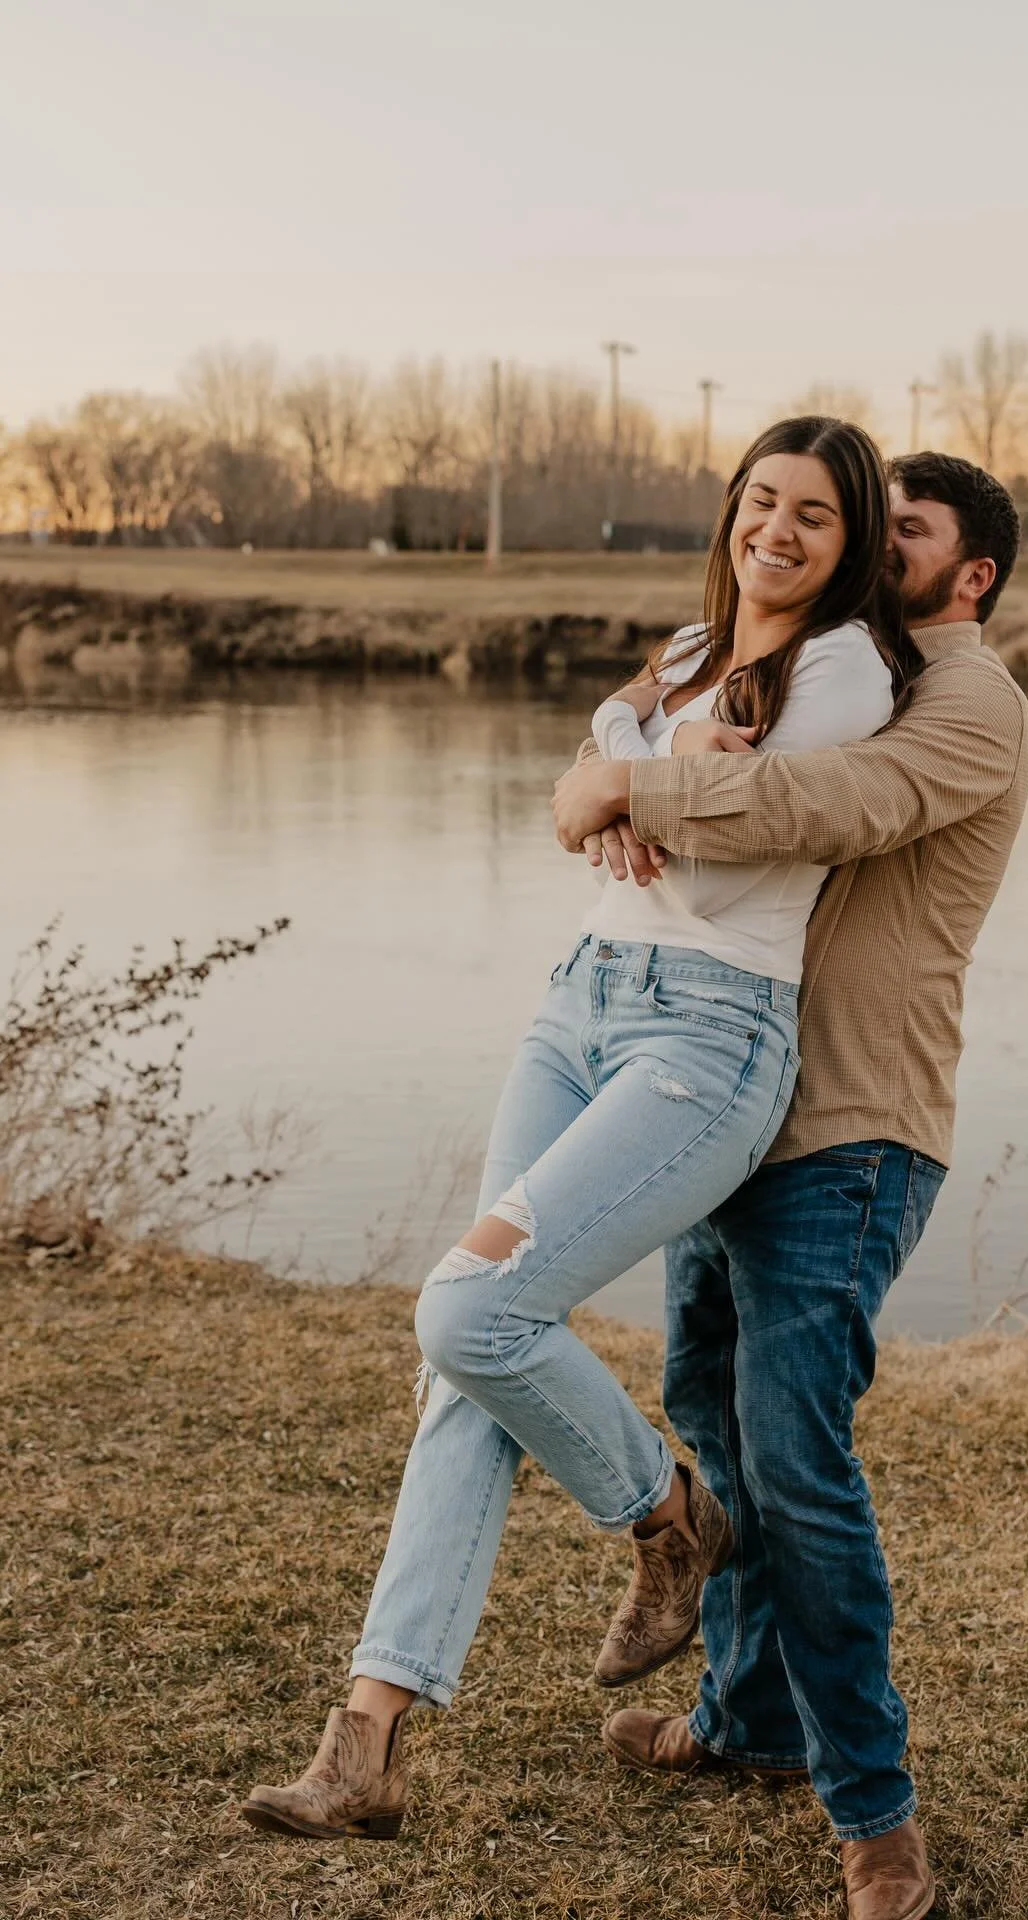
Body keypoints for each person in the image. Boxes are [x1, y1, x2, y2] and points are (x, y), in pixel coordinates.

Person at [238, 416, 923, 1843]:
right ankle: (366, 1741)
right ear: (729, 513)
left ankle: (665, 1515)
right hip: (580, 1008)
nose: (777, 533)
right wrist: (620, 765)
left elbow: (747, 816)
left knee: (469, 1309)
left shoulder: (850, 666)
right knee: (466, 1357)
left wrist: (634, 774)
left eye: (814, 515)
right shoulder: (687, 652)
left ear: (850, 541)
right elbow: (591, 774)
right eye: (759, 503)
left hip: (710, 1034)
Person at [552, 452, 1028, 1920]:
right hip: (729, 1098)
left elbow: (848, 804)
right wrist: (627, 752)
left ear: (973, 575)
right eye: (868, 523)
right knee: (715, 1420)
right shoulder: (838, 663)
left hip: (857, 1127)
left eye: (910, 532)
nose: (876, 545)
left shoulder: (964, 700)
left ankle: (876, 1819)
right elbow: (660, 689)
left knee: (797, 1458)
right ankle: (751, 1719)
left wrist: (643, 789)